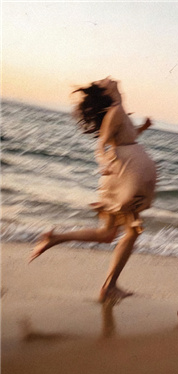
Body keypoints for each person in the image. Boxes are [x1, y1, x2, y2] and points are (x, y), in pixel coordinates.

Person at [29, 77, 157, 303]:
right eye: (103, 81)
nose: (109, 78)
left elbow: (126, 137)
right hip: (125, 175)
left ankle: (55, 238)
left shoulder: (119, 110)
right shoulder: (115, 111)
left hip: (125, 173)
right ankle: (110, 287)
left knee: (107, 234)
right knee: (131, 232)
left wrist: (143, 128)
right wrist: (104, 162)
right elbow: (102, 144)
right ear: (105, 92)